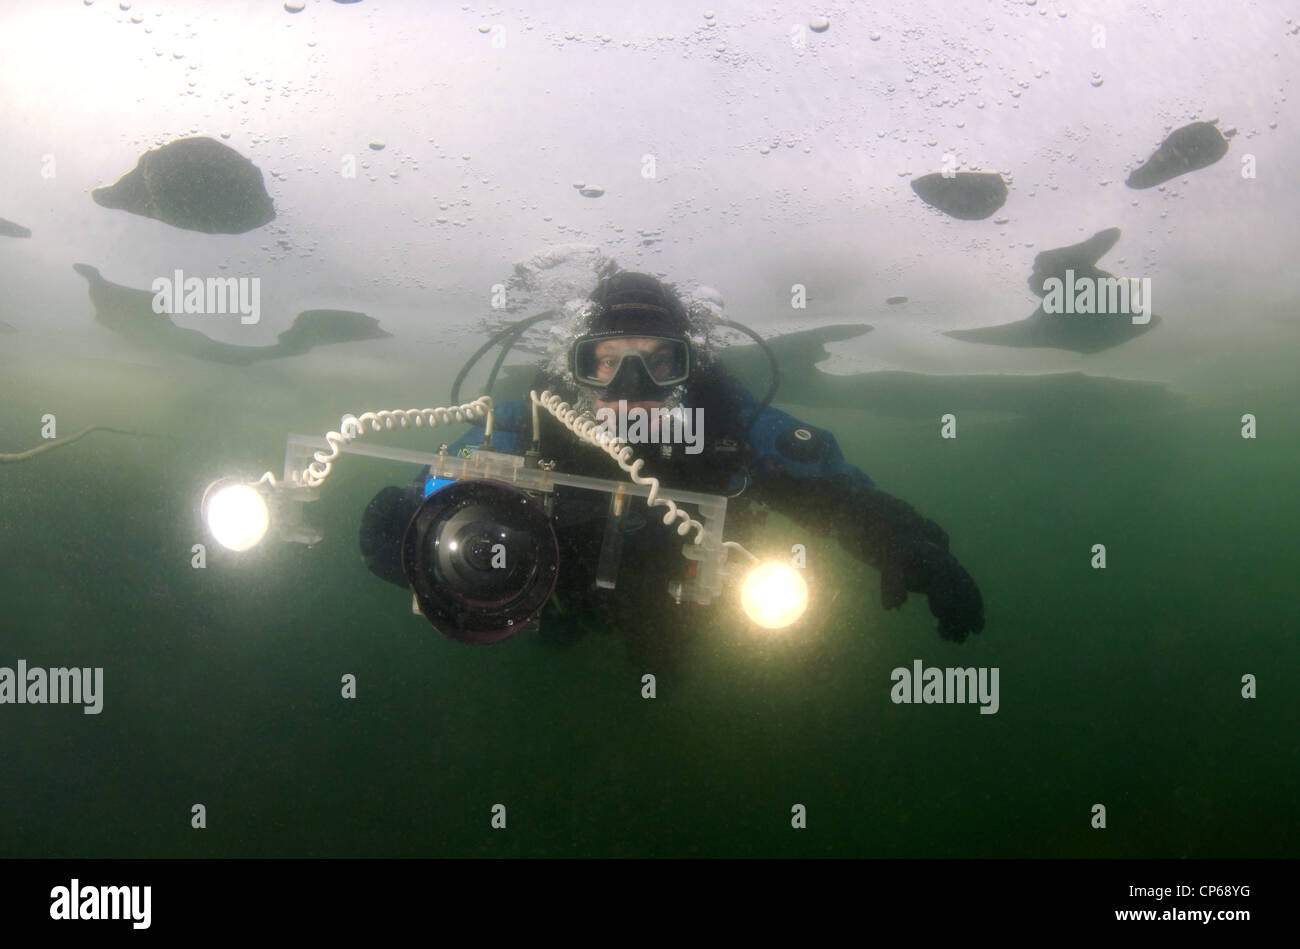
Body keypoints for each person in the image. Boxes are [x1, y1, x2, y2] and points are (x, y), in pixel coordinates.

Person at [360, 271, 984, 667]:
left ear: (692, 365)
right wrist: (407, 524)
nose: (633, 386)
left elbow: (832, 490)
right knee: (553, 638)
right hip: (556, 583)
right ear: (572, 367)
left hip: (677, 593)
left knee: (662, 665)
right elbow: (447, 479)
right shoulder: (528, 418)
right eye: (605, 362)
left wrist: (906, 540)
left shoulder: (728, 420)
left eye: (660, 362)